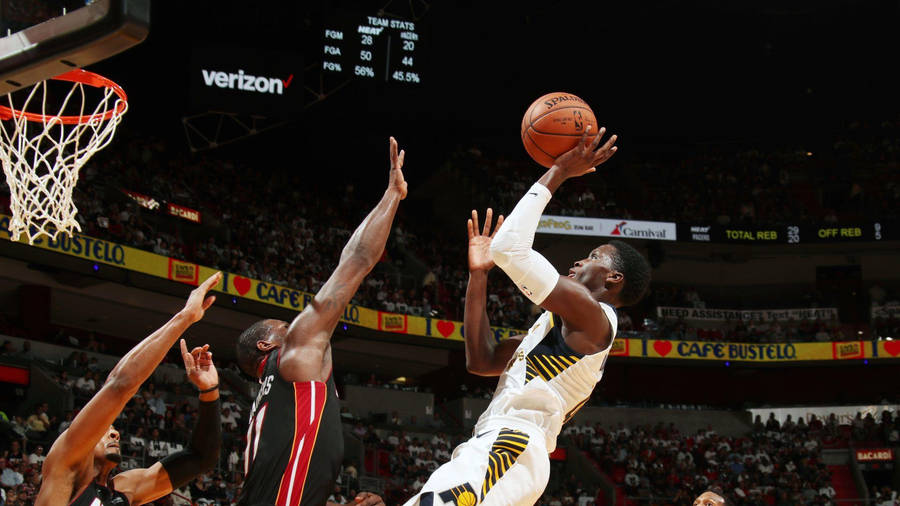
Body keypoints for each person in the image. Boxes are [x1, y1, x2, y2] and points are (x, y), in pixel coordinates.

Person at [404, 127, 650, 505]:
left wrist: (559, 171)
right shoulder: (557, 335)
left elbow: (510, 248)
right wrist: (479, 275)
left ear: (614, 279)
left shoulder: (596, 320)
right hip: (502, 447)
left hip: (511, 444)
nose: (581, 260)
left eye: (594, 257)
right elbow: (481, 359)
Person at [234, 138, 408, 506]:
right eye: (283, 326)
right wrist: (392, 195)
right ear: (268, 345)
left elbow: (287, 484)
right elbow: (357, 260)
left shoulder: (273, 404)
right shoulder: (294, 353)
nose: (293, 325)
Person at [35, 273, 223, 506]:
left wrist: (210, 391)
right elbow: (118, 385)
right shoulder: (65, 467)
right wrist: (184, 318)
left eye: (114, 430)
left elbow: (201, 459)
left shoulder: (125, 489)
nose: (115, 434)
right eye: (106, 431)